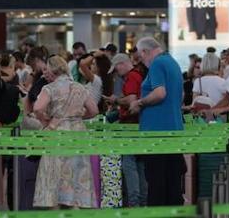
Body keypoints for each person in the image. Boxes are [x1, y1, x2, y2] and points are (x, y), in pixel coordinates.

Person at [32, 55, 98, 209]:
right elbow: (94, 110)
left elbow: (37, 108)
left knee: (56, 173)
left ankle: (56, 206)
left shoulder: (50, 88)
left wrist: (46, 120)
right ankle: (76, 205)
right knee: (77, 172)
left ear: (51, 70)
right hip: (78, 133)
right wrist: (78, 116)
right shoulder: (80, 87)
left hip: (58, 133)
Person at [128, 37, 185, 206]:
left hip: (157, 133)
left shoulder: (157, 64)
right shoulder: (172, 62)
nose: (141, 61)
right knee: (172, 183)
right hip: (173, 128)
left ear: (145, 52)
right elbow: (180, 96)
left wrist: (139, 102)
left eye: (140, 56)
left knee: (157, 184)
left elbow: (160, 93)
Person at [111, 53, 148, 207]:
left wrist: (116, 100)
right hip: (139, 125)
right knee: (139, 164)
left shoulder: (132, 77)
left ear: (121, 64)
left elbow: (132, 100)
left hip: (130, 126)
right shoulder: (138, 75)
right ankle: (142, 202)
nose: (116, 72)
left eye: (116, 68)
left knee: (129, 163)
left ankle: (134, 204)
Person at [189, 53, 229, 117]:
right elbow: (227, 102)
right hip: (218, 117)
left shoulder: (198, 81)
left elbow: (194, 102)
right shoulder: (222, 82)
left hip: (202, 117)